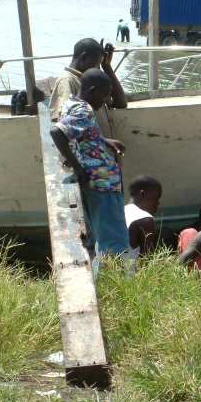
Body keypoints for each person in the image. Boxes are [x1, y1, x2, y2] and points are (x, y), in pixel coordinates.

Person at [49, 69, 129, 264]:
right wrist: (77, 167)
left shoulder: (71, 104)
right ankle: (117, 287)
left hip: (94, 183)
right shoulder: (84, 110)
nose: (107, 99)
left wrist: (102, 141)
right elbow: (57, 132)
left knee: (102, 237)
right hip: (103, 184)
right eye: (105, 94)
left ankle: (102, 278)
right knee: (114, 242)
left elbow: (81, 134)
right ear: (93, 91)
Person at [49, 38, 127, 153]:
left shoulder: (91, 81)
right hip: (89, 157)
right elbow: (64, 127)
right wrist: (102, 141)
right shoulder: (67, 81)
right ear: (84, 57)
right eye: (97, 63)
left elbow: (121, 103)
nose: (97, 67)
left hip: (102, 155)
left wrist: (107, 67)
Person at [125, 174, 162, 270]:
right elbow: (146, 260)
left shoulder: (119, 212)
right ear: (142, 194)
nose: (158, 204)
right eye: (156, 198)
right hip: (128, 280)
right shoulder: (145, 219)